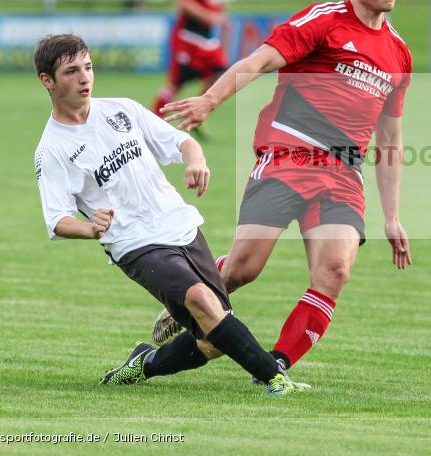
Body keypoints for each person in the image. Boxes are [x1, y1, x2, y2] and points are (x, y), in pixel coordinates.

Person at [156, 0, 413, 374]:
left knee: (335, 271)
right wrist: (209, 101)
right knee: (243, 269)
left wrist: (392, 216)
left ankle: (275, 368)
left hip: (344, 172)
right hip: (290, 154)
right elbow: (255, 63)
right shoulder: (324, 22)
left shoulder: (398, 53)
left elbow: (389, 140)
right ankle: (191, 290)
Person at [32, 33, 308, 396]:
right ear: (47, 81)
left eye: (88, 67)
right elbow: (57, 219)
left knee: (213, 339)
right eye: (71, 71)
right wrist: (90, 228)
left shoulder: (122, 110)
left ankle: (144, 364)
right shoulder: (52, 149)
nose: (85, 78)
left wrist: (196, 161)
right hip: (135, 243)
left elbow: (181, 141)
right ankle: (275, 378)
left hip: (180, 225)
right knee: (201, 298)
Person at [152, 0, 231, 133]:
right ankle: (152, 123)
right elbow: (182, 1)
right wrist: (210, 16)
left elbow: (212, 4)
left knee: (219, 73)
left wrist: (221, 17)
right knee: (175, 84)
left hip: (205, 40)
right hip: (187, 37)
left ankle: (195, 114)